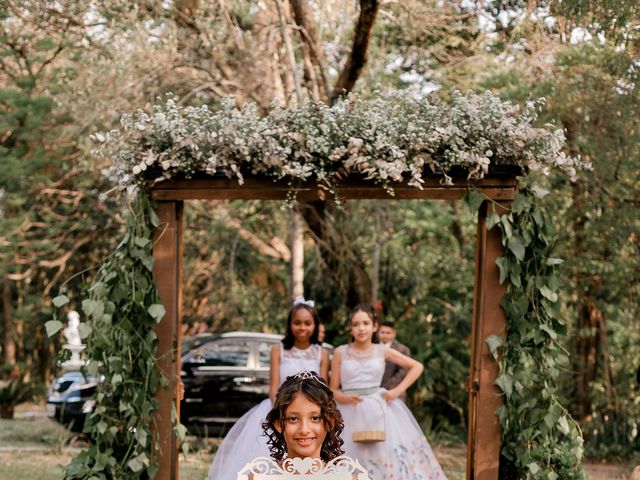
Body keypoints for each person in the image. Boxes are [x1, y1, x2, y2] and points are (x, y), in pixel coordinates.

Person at [209, 297, 329, 480]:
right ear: (290, 325)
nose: (302, 328)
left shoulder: (322, 353)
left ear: (315, 325)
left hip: (310, 414)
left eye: (307, 323)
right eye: (297, 323)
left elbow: (323, 390)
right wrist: (282, 412)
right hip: (279, 409)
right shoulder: (278, 350)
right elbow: (273, 386)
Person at [330, 304, 447, 480]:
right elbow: (332, 389)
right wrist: (344, 398)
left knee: (383, 458)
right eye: (356, 324)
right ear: (350, 328)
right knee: (349, 460)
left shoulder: (383, 351)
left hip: (380, 409)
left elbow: (417, 366)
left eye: (366, 323)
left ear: (374, 326)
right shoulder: (340, 352)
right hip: (348, 410)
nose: (361, 328)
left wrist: (396, 391)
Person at [378, 321, 411, 401]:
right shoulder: (372, 347)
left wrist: (385, 386)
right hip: (372, 392)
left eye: (388, 333)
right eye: (382, 332)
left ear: (394, 334)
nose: (385, 335)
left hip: (394, 391)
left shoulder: (402, 350)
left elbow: (402, 372)